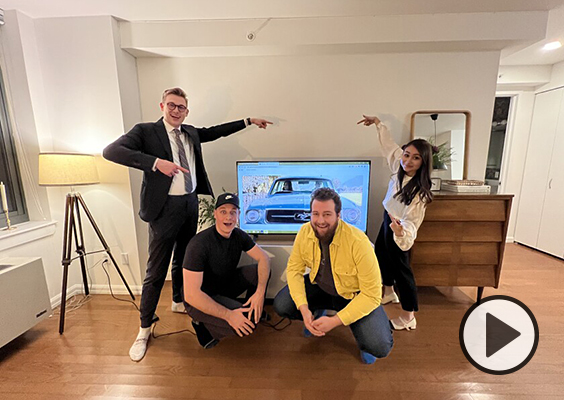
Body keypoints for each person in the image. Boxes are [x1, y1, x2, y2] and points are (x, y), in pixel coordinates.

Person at [103, 87, 272, 361]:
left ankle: (179, 300)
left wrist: (248, 121)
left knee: (183, 259)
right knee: (155, 271)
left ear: (187, 111)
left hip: (189, 203)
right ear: (162, 105)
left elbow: (215, 131)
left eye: (181, 107)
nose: (176, 111)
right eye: (171, 105)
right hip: (163, 208)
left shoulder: (190, 132)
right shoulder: (146, 131)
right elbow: (111, 151)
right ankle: (144, 328)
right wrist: (157, 163)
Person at [273, 188, 394, 364]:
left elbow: (373, 295)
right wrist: (304, 308)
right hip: (321, 288)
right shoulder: (304, 232)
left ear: (339, 215)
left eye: (327, 214)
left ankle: (361, 335)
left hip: (353, 296)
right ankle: (316, 313)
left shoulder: (359, 242)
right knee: (282, 305)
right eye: (315, 214)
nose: (320, 221)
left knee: (379, 346)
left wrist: (336, 321)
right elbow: (294, 270)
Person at [357, 115, 433, 331]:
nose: (408, 161)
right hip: (387, 217)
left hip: (400, 228)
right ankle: (389, 292)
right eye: (406, 154)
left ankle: (409, 316)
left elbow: (413, 223)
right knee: (380, 253)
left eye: (415, 158)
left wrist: (400, 232)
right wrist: (378, 124)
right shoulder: (398, 166)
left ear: (424, 162)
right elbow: (388, 145)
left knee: (403, 271)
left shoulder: (420, 193)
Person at [183, 193, 271, 348]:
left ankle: (251, 309)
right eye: (223, 211)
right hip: (199, 298)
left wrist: (259, 294)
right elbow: (191, 295)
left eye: (233, 212)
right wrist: (229, 315)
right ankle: (203, 326)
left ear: (238, 215)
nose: (228, 217)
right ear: (215, 214)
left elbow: (264, 259)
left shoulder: (238, 235)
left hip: (223, 286)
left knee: (260, 272)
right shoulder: (199, 244)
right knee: (248, 325)